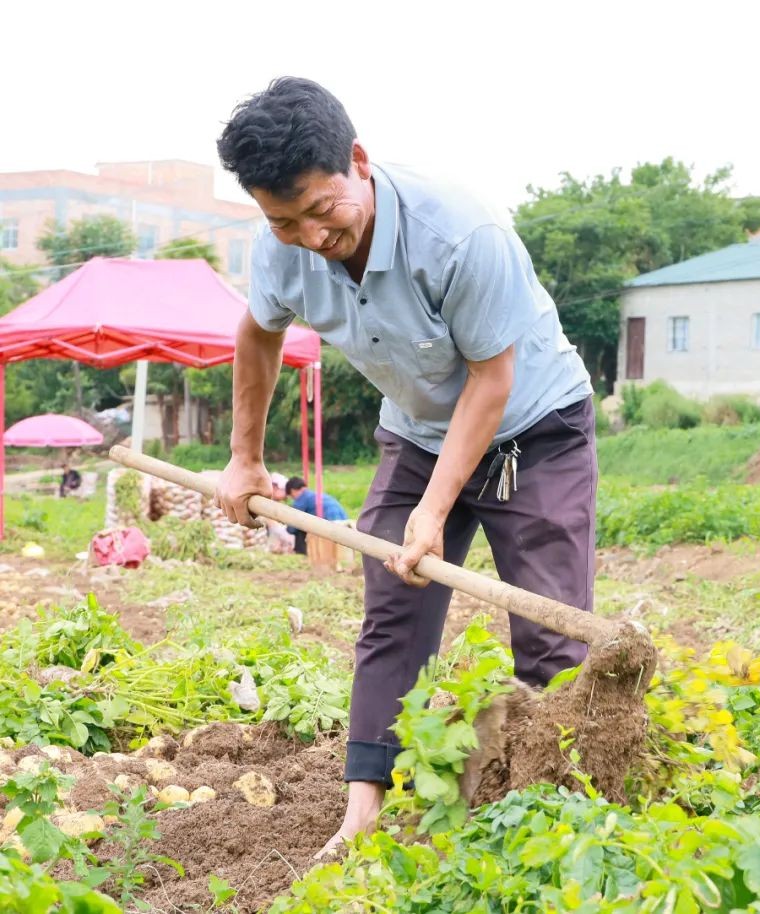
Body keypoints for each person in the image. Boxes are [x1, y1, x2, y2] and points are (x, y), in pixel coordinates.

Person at [213, 76, 596, 858]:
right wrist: (244, 459)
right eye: (285, 221)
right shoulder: (280, 245)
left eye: (323, 210)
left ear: (357, 161)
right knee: (393, 606)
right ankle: (364, 812)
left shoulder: (459, 234)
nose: (312, 237)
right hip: (418, 432)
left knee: (550, 625)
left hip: (534, 430)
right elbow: (258, 336)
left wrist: (434, 508)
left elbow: (492, 379)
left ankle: (565, 815)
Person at [283, 476, 348, 556]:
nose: (294, 499)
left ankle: (302, 553)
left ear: (293, 491)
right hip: (343, 520)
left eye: (292, 496)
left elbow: (292, 526)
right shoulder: (314, 495)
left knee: (298, 528)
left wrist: (286, 527)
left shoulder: (302, 498)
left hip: (330, 522)